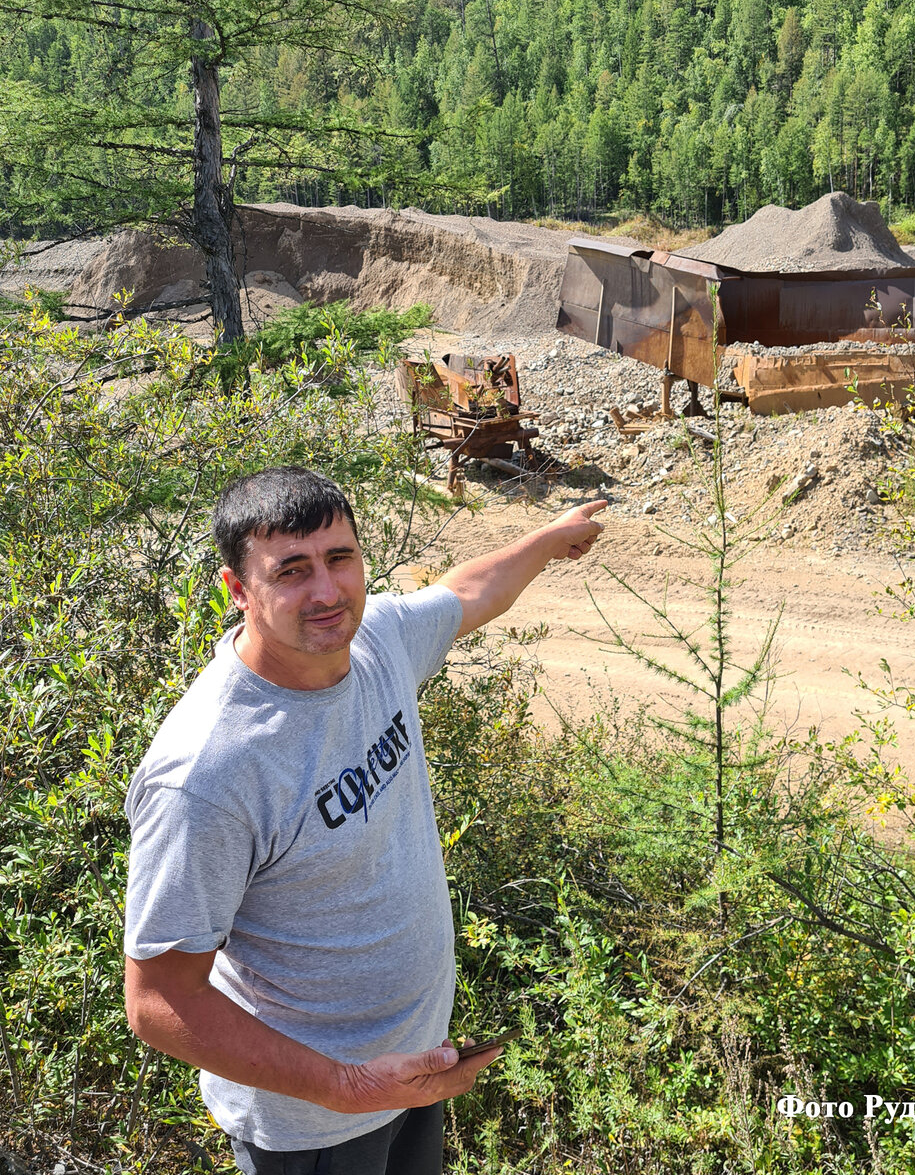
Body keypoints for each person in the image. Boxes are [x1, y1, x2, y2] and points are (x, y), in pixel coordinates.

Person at [122, 465, 607, 1175]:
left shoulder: (376, 641)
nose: (327, 592)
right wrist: (348, 1087)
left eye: (339, 558)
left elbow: (466, 592)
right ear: (238, 590)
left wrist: (546, 541)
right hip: (312, 1124)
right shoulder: (209, 774)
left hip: (412, 1073)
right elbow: (159, 1000)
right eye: (291, 571)